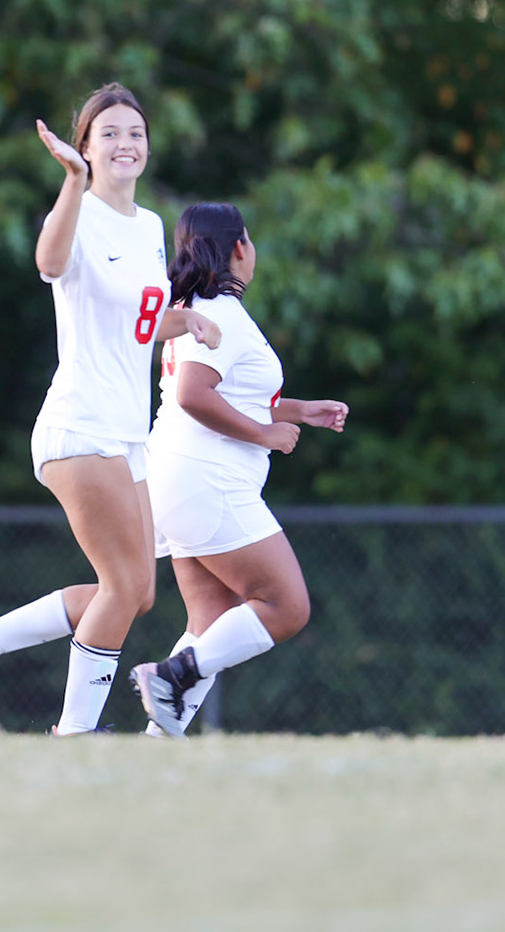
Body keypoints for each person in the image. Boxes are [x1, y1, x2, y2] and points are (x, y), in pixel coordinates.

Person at [0, 83, 220, 735]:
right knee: (123, 588)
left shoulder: (149, 226)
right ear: (86, 146)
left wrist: (187, 324)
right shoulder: (79, 209)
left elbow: (138, 323)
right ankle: (74, 735)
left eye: (135, 133)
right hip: (79, 424)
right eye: (110, 133)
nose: (126, 143)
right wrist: (72, 181)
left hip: (127, 433)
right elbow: (48, 262)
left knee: (138, 593)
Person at [128, 203, 349, 737]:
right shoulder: (221, 314)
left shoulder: (193, 309)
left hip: (177, 478)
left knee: (210, 622)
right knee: (286, 606)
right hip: (208, 479)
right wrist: (266, 435)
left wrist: (297, 411)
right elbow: (192, 396)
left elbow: (229, 396)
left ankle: (157, 743)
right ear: (239, 249)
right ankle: (171, 674)